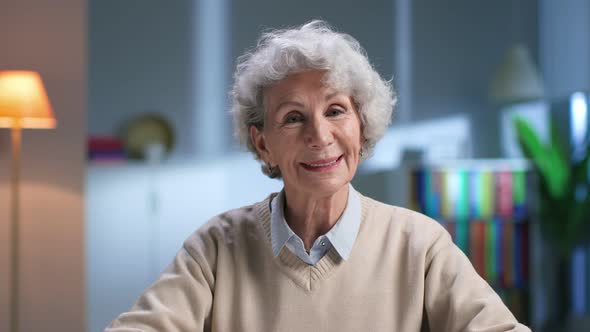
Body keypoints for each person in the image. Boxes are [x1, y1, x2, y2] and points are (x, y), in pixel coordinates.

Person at [106, 20, 531, 332]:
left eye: (335, 111)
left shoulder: (419, 244)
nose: (319, 136)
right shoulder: (216, 247)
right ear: (262, 143)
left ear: (361, 126)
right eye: (293, 118)